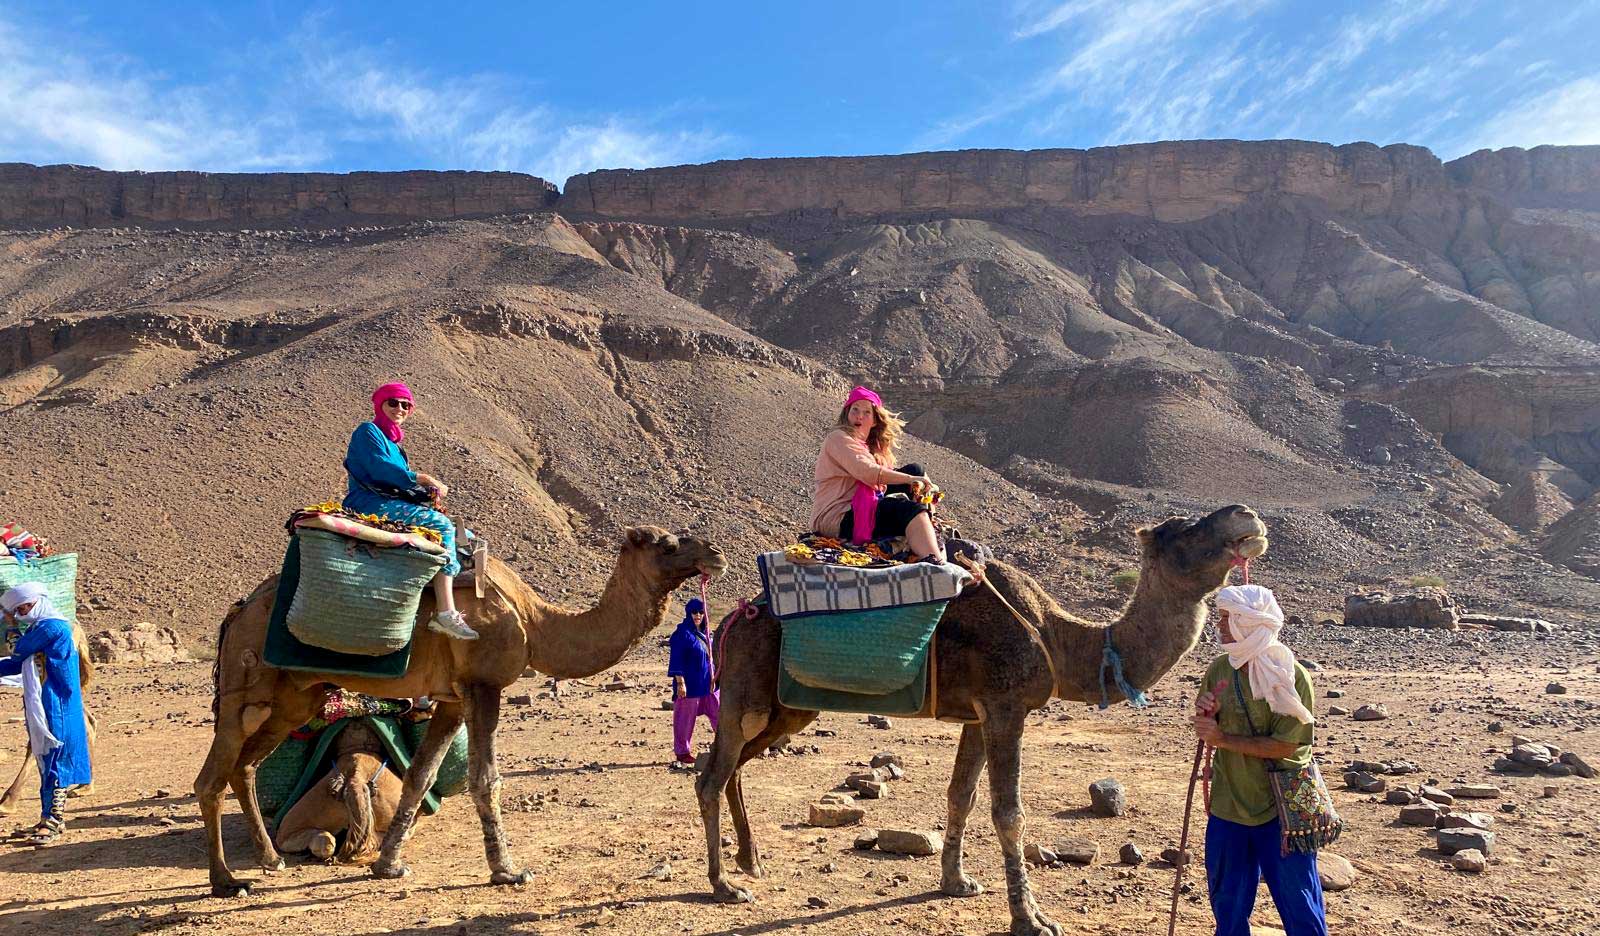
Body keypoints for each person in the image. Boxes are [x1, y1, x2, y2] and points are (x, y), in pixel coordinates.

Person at [1191, 584, 1327, 936]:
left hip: (1282, 809)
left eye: (1227, 618)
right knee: (1228, 903)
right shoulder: (1220, 670)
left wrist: (1222, 739)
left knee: (1299, 903)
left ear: (1248, 622)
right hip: (1229, 803)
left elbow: (1286, 745)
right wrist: (1206, 714)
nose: (1219, 625)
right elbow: (1207, 726)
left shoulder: (1290, 675)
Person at [343, 382, 476, 640]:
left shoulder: (395, 446)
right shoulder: (367, 431)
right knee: (442, 526)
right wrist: (423, 478)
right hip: (370, 504)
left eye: (406, 405)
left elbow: (398, 483)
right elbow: (380, 470)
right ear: (380, 405)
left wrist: (424, 493)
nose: (400, 409)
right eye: (393, 402)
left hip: (388, 502)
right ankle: (446, 611)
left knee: (464, 535)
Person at [811, 386, 945, 563]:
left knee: (915, 470)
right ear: (847, 413)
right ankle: (935, 563)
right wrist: (911, 480)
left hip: (861, 503)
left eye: (866, 412)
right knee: (910, 510)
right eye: (855, 410)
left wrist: (922, 482)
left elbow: (884, 478)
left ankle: (927, 526)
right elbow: (868, 473)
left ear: (875, 420)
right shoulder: (838, 438)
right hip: (839, 516)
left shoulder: (871, 447)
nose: (859, 416)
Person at [0, 584, 91, 845]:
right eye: (18, 610)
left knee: (56, 763)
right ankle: (46, 819)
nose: (22, 613)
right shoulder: (39, 628)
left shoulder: (51, 627)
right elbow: (17, 663)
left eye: (24, 608)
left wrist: (10, 626)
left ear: (37, 602)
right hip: (44, 701)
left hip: (56, 702)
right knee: (45, 762)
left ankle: (52, 822)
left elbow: (17, 652)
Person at [667, 598, 718, 765]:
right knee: (685, 719)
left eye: (701, 612)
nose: (698, 615)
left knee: (720, 713)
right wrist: (680, 683)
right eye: (694, 612)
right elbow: (676, 659)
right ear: (688, 613)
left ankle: (726, 746)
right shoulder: (682, 634)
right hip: (690, 684)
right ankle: (682, 752)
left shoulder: (706, 633)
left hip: (709, 684)